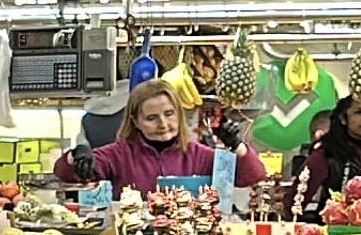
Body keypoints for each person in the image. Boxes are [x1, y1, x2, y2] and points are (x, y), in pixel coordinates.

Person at [55, 79, 265, 196]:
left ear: (179, 114)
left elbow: (253, 175)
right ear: (135, 121)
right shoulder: (118, 155)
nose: (163, 124)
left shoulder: (200, 155)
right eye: (151, 118)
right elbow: (64, 173)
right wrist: (77, 154)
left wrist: (237, 145)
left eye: (169, 114)